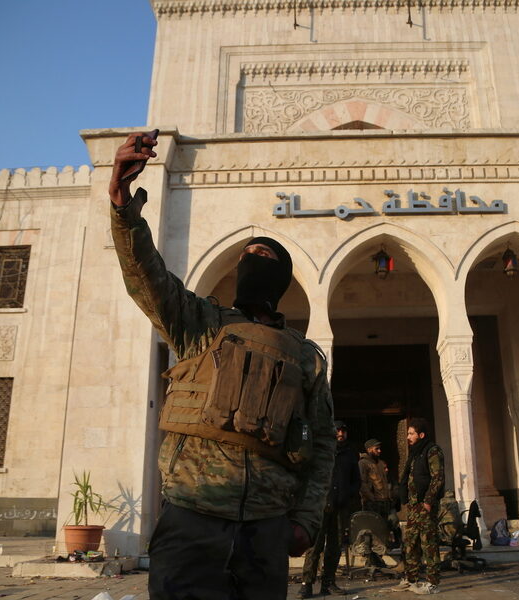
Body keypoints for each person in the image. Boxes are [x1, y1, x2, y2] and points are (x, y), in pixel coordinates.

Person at [109, 132, 336, 600]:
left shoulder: (304, 354)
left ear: (281, 277)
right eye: (246, 257)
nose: (253, 260)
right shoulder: (201, 324)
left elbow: (324, 445)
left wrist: (305, 522)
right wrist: (122, 204)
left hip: (265, 528)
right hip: (192, 517)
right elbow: (145, 275)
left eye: (265, 257)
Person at [299, 421, 361, 598]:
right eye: (338, 430)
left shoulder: (350, 454)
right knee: (315, 546)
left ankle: (329, 582)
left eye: (343, 431)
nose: (340, 433)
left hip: (340, 509)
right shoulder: (321, 451)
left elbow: (356, 480)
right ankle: (307, 584)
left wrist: (347, 494)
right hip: (321, 507)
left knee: (334, 547)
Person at [393, 417, 445, 595]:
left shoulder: (432, 451)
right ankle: (411, 578)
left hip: (425, 505)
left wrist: (429, 501)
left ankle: (432, 582)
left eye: (411, 433)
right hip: (414, 506)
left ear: (421, 435)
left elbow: (437, 478)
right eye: (407, 433)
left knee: (428, 543)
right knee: (411, 543)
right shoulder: (415, 453)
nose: (408, 437)